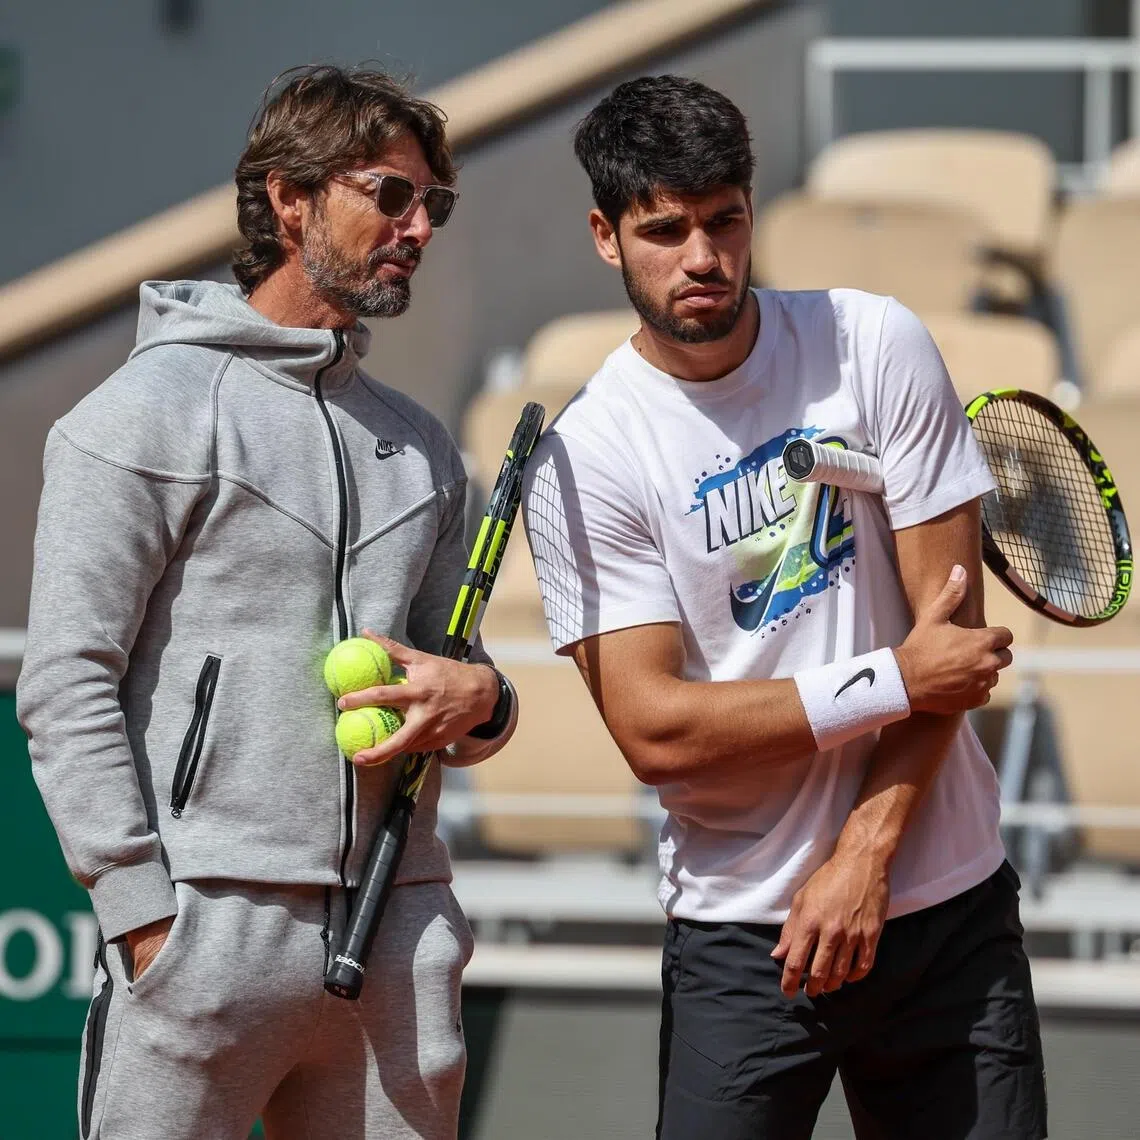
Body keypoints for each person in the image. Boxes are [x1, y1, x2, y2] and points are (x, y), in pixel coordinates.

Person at [521, 75, 1045, 1140]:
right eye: (664, 230)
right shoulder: (591, 454)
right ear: (605, 236)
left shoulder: (874, 344)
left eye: (724, 220)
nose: (702, 258)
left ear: (754, 212)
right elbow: (657, 730)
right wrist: (891, 679)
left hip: (943, 905)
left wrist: (864, 856)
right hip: (743, 937)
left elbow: (950, 639)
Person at [17, 65, 518, 1140]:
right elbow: (65, 682)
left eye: (435, 204)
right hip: (202, 934)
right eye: (390, 194)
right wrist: (144, 920)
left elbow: (451, 684)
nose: (418, 225)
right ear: (289, 199)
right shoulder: (140, 417)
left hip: (395, 934)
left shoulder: (424, 449)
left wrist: (484, 698)